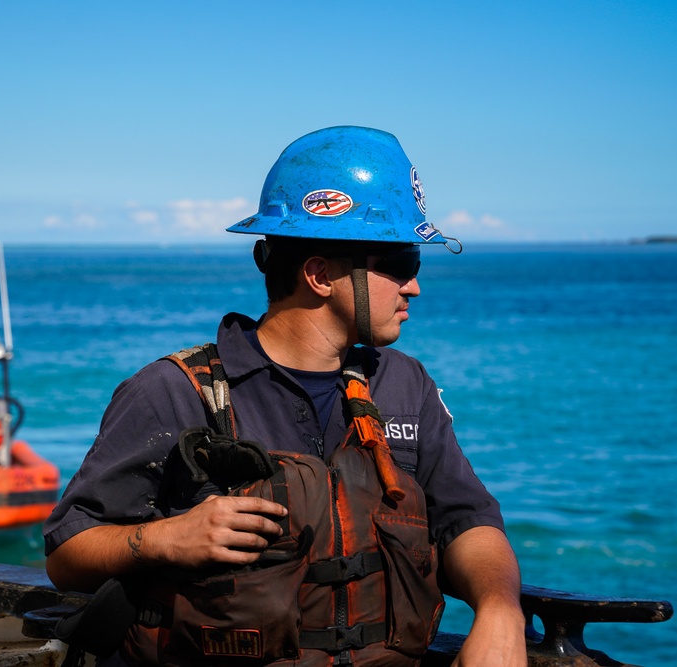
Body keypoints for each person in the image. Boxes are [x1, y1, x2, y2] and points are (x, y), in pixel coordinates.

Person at [43, 127, 526, 666]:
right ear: (319, 274)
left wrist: (499, 609)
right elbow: (67, 552)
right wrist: (164, 540)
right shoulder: (173, 391)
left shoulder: (404, 385)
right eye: (401, 263)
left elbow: (467, 521)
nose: (414, 286)